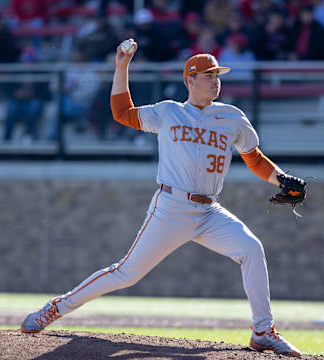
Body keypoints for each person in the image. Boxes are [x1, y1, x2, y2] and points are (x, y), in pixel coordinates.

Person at [20, 39, 303, 358]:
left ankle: (263, 331)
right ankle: (54, 309)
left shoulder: (232, 118)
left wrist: (282, 178)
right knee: (126, 273)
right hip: (172, 207)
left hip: (211, 211)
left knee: (252, 249)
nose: (215, 80)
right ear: (190, 80)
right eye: (208, 74)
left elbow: (253, 158)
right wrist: (122, 67)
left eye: (217, 74)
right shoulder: (168, 112)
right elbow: (122, 113)